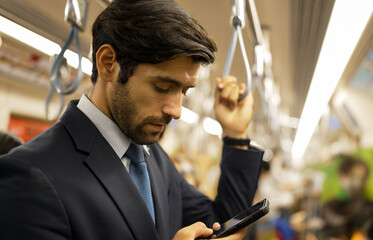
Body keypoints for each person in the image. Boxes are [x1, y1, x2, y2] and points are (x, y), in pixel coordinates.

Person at [0, 1, 264, 239]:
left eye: (184, 91)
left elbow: (223, 224)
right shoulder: (30, 175)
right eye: (162, 86)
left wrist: (235, 133)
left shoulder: (152, 157)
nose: (177, 110)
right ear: (107, 64)